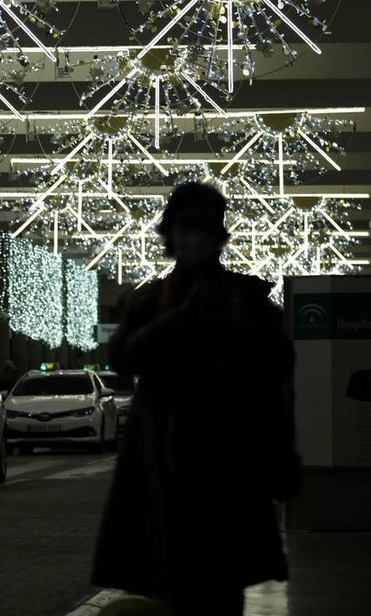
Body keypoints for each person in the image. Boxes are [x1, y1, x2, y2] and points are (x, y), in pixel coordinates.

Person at [91, 182, 302, 615]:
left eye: (202, 233)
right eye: (185, 232)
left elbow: (275, 373)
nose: (193, 243)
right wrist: (180, 323)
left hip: (228, 466)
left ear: (216, 239)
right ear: (172, 237)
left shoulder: (244, 300)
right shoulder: (154, 300)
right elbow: (123, 358)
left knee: (221, 589)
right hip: (169, 468)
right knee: (178, 584)